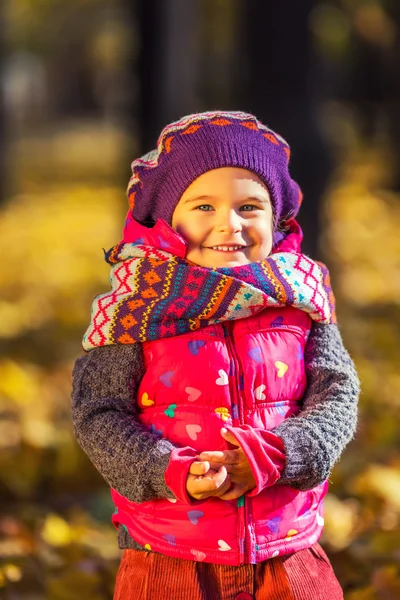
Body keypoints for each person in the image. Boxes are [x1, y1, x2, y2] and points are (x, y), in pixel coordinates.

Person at [72, 111, 360, 600]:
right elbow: (98, 415)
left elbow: (338, 394)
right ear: (168, 218)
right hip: (167, 556)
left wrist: (278, 455)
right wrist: (170, 469)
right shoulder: (136, 310)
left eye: (250, 207)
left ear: (277, 218)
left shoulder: (301, 299)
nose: (230, 224)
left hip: (285, 550)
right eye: (203, 206)